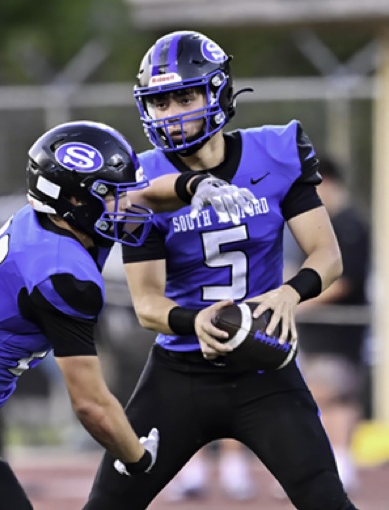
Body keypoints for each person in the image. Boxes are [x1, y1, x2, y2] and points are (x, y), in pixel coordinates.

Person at [0, 120, 253, 510]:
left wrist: (193, 185)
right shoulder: (62, 274)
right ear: (76, 201)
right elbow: (90, 404)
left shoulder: (49, 220)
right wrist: (138, 457)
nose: (129, 205)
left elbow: (146, 194)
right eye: (113, 194)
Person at [83, 31, 358, 510]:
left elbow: (327, 256)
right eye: (160, 102)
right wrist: (199, 323)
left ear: (218, 93)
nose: (171, 114)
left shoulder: (274, 153)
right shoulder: (142, 182)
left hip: (265, 369)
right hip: (180, 374)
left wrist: (290, 293)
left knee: (327, 501)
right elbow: (147, 305)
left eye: (184, 97)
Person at [293, 156, 370, 493]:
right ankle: (332, 467)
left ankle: (337, 468)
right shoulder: (319, 226)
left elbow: (343, 282)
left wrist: (297, 301)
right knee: (327, 398)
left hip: (338, 332)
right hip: (317, 332)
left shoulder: (349, 225)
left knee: (331, 396)